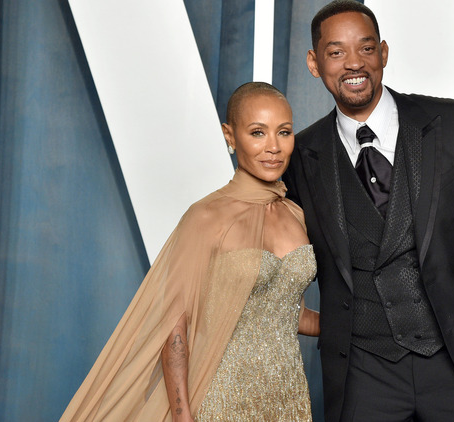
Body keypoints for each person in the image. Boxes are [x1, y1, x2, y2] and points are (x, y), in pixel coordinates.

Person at [283, 0, 454, 422]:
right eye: (336, 52)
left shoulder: (450, 121)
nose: (354, 64)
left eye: (366, 49)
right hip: (363, 373)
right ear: (315, 63)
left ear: (383, 53)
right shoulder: (301, 156)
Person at [61, 82, 319, 421]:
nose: (273, 147)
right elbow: (174, 325)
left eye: (283, 132)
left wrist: (365, 326)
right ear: (230, 135)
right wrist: (183, 416)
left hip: (288, 397)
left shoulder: (296, 214)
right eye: (258, 132)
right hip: (221, 396)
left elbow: (288, 312)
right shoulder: (206, 217)